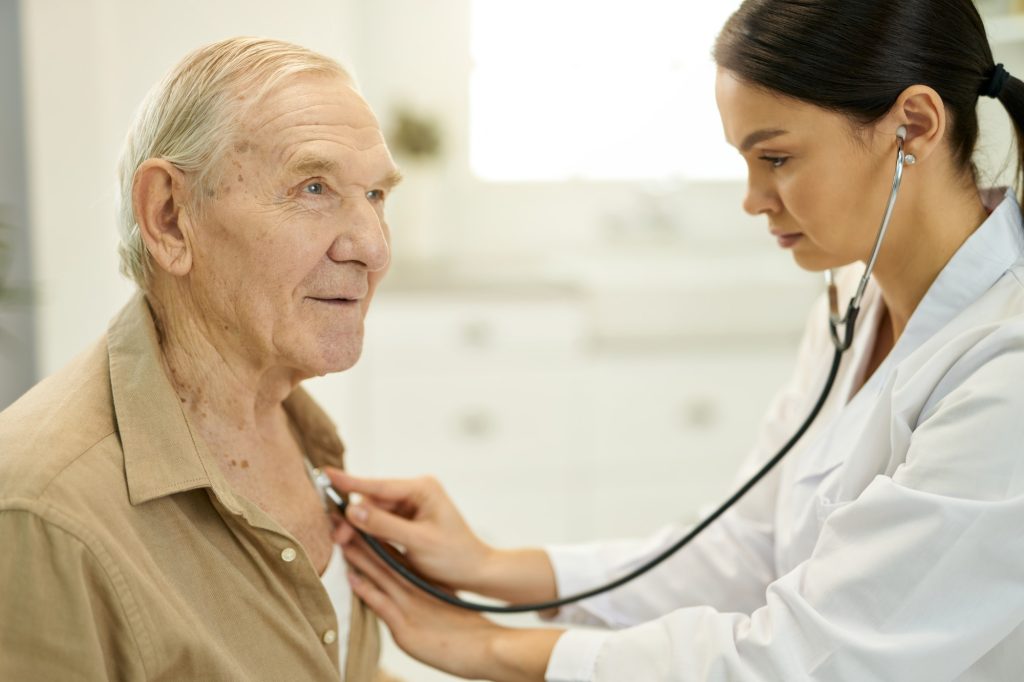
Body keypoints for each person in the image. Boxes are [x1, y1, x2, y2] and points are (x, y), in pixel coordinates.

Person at [327, 1, 1024, 680]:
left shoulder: (1007, 370)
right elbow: (747, 551)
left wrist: (490, 649)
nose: (752, 197)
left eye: (776, 157)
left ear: (915, 125)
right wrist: (494, 569)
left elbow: (806, 658)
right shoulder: (853, 301)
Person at [0, 37, 403, 680]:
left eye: (377, 195)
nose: (372, 248)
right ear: (168, 218)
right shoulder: (42, 514)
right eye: (314, 187)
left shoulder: (298, 428)